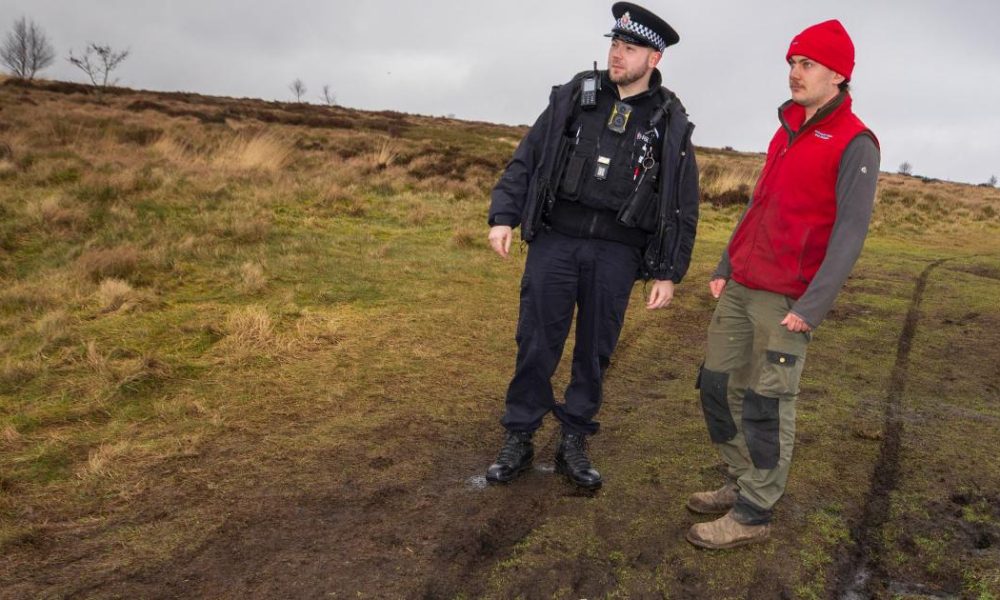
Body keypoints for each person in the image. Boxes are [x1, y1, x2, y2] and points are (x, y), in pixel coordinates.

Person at [485, 2, 699, 490]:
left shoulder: (671, 121)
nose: (617, 55)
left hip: (617, 254)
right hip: (557, 242)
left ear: (655, 59)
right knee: (537, 341)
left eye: (630, 48)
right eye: (614, 45)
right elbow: (529, 156)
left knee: (595, 351)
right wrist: (503, 215)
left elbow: (682, 201)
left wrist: (667, 270)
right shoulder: (574, 95)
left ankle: (574, 440)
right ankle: (519, 435)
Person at [686, 19, 880, 548]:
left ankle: (754, 512)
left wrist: (812, 306)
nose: (795, 73)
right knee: (716, 386)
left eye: (807, 64)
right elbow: (760, 205)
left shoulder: (855, 142)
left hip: (790, 298)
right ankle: (740, 477)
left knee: (768, 402)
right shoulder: (786, 127)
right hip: (744, 282)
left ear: (837, 74)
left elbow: (850, 233)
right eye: (793, 63)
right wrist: (726, 263)